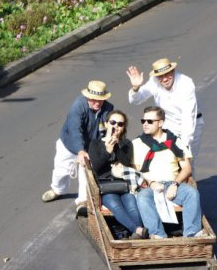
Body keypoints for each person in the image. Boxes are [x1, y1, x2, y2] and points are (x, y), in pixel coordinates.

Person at [131, 106, 208, 239]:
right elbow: (135, 170)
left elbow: (187, 168)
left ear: (160, 123)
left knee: (192, 193)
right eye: (143, 121)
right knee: (143, 198)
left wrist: (175, 184)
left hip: (171, 184)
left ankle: (192, 232)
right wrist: (151, 183)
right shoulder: (137, 143)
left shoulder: (174, 141)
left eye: (150, 121)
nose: (145, 124)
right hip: (149, 185)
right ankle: (157, 234)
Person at [41, 80, 114, 214]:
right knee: (61, 171)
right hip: (69, 144)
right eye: (93, 100)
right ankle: (57, 190)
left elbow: (109, 128)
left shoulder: (108, 108)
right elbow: (75, 130)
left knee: (86, 173)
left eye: (100, 100)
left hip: (89, 146)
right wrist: (80, 150)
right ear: (87, 97)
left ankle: (83, 201)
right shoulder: (78, 106)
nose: (97, 103)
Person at [126, 58, 204, 175]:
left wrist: (184, 144)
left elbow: (188, 116)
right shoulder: (154, 81)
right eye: (161, 76)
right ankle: (168, 189)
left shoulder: (186, 83)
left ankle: (189, 191)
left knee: (186, 162)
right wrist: (136, 88)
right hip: (168, 125)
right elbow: (136, 100)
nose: (165, 79)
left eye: (167, 74)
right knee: (165, 160)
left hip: (190, 125)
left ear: (173, 71)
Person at [88, 110, 148, 239]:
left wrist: (115, 145)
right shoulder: (95, 144)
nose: (116, 126)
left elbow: (126, 162)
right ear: (106, 124)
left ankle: (136, 235)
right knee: (116, 206)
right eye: (113, 122)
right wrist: (107, 151)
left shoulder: (126, 144)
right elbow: (97, 168)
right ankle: (138, 230)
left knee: (132, 206)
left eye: (120, 124)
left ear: (123, 128)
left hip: (124, 183)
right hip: (106, 186)